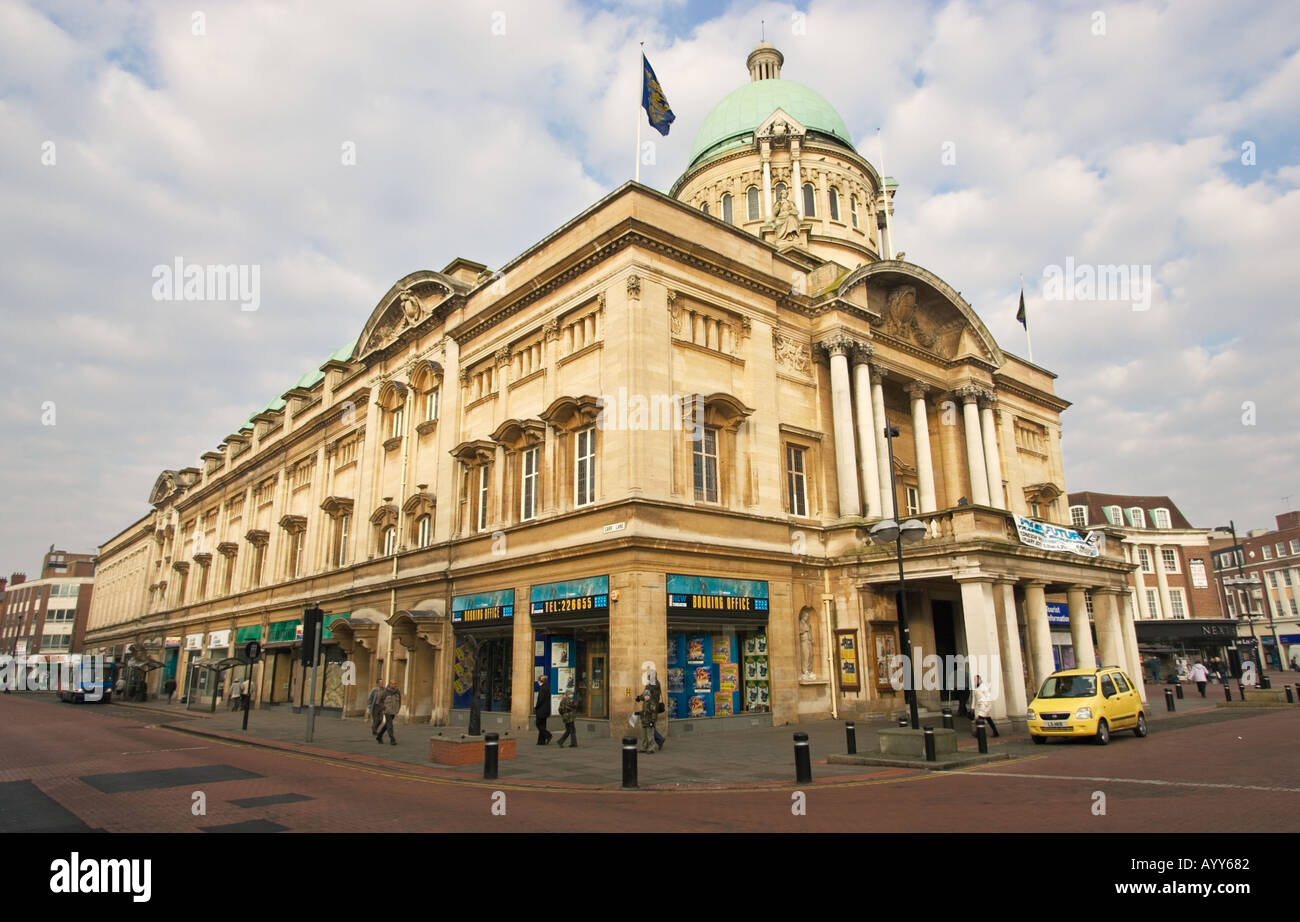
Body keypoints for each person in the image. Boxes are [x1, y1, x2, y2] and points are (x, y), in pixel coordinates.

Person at [645, 669, 666, 751]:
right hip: (655, 706)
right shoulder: (658, 683)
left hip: (650, 707)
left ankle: (659, 739)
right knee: (651, 725)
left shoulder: (650, 684)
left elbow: (646, 696)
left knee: (649, 726)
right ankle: (655, 741)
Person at [376, 679, 400, 745]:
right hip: (387, 710)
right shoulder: (385, 692)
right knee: (390, 724)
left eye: (395, 684)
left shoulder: (397, 691)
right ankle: (392, 739)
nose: (394, 685)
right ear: (389, 684)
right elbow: (379, 701)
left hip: (393, 711)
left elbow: (399, 701)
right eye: (392, 684)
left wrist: (398, 709)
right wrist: (384, 708)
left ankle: (379, 736)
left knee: (387, 724)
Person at [534, 673, 553, 745]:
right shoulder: (547, 687)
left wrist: (536, 707)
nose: (537, 682)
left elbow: (540, 700)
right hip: (546, 710)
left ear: (540, 681)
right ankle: (541, 741)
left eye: (538, 681)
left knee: (538, 724)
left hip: (541, 710)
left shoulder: (542, 688)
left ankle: (548, 735)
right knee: (543, 725)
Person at [638, 687, 658, 753]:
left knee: (650, 735)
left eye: (647, 695)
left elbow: (654, 712)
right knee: (644, 735)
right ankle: (644, 747)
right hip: (644, 720)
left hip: (650, 721)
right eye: (645, 695)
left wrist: (653, 720)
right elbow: (644, 711)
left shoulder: (652, 702)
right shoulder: (644, 702)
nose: (646, 697)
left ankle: (651, 748)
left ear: (649, 696)